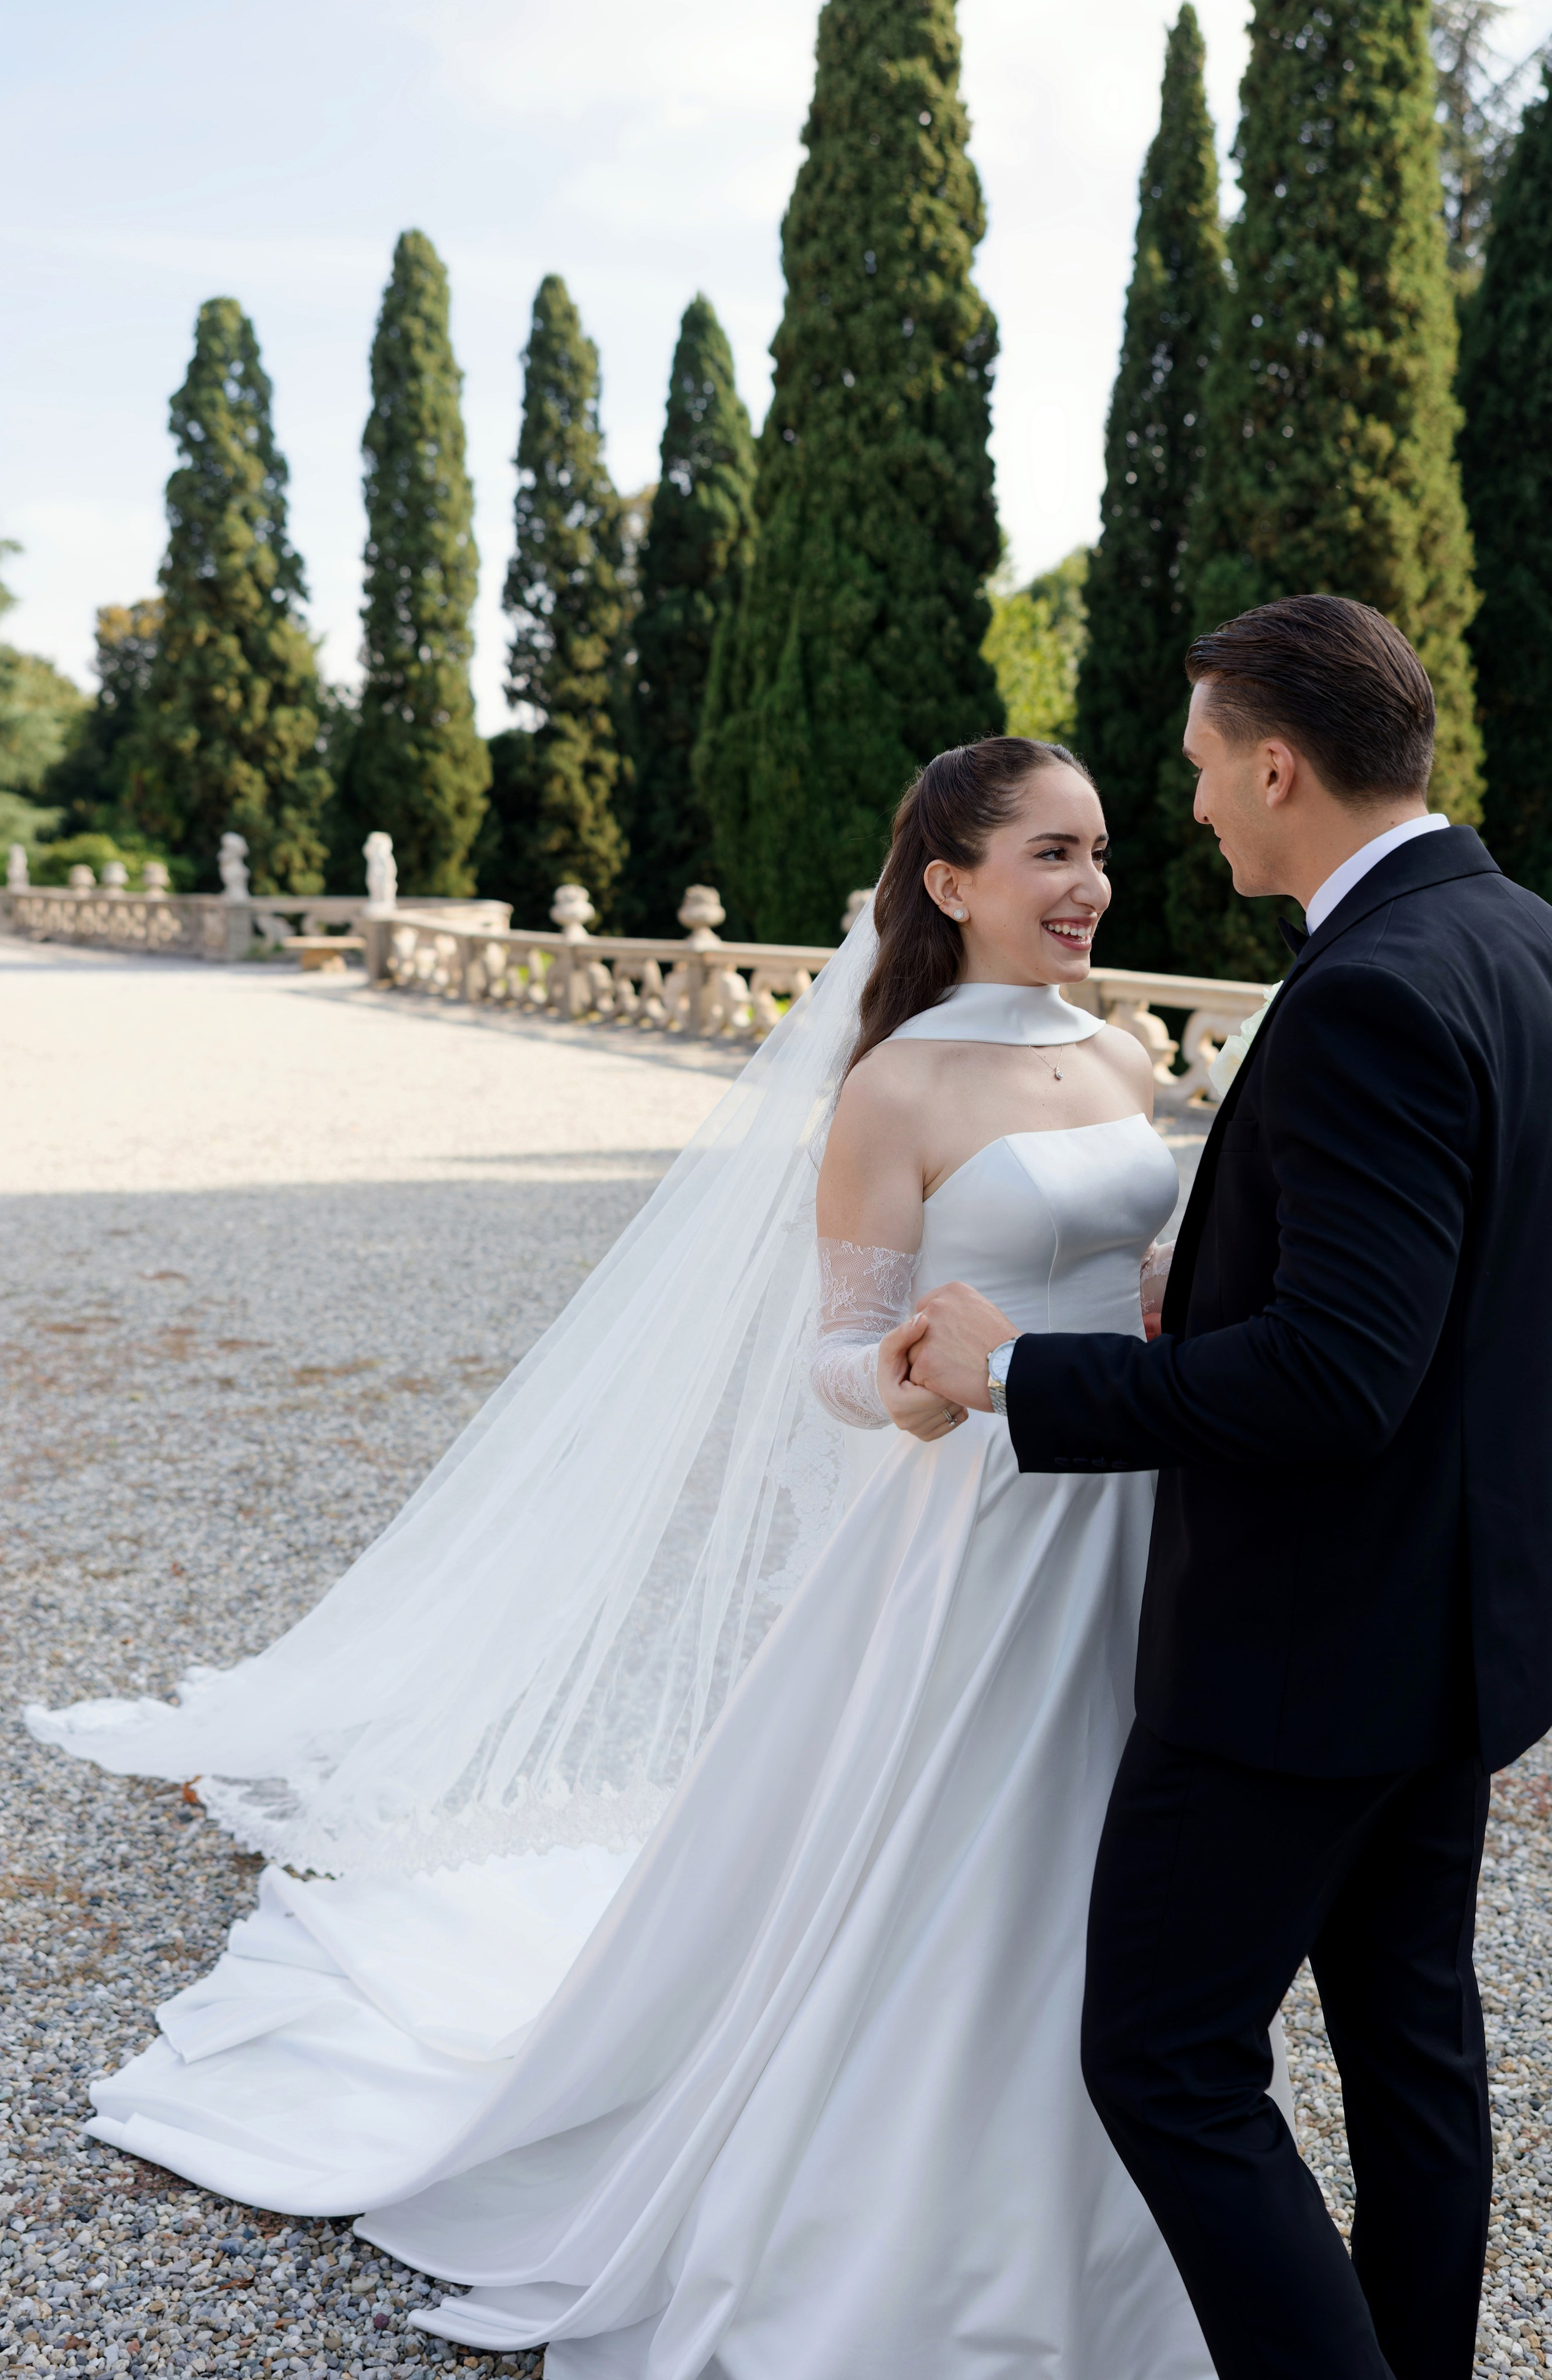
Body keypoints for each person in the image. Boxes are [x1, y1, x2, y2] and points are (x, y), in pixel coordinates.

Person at [29, 735, 1280, 2377]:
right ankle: (936, 2210)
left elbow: (1133, 1278)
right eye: (1049, 856)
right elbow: (834, 1351)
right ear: (951, 880)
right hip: (975, 1529)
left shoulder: (1125, 1056)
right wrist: (906, 1386)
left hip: (1129, 1500)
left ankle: (1125, 2186)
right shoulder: (894, 1083)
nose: (1092, 886)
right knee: (977, 1850)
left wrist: (1163, 1316)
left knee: (1121, 1858)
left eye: (1100, 850)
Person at [906, 596, 1552, 2380]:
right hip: (1464, 1635)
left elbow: (1334, 1380)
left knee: (1165, 2057)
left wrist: (1019, 1375)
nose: (1196, 809)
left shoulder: (1370, 989)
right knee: (1414, 2056)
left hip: (1305, 1653)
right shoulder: (1541, 947)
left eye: (1207, 768)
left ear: (1279, 762)